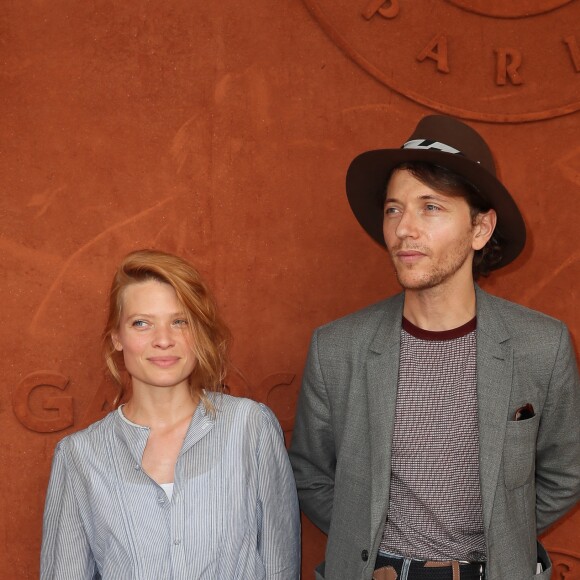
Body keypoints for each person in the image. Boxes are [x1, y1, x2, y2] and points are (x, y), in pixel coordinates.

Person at [289, 115, 580, 580]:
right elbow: (310, 472)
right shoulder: (337, 347)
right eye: (393, 209)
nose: (405, 228)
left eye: (431, 207)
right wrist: (365, 542)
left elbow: (567, 473)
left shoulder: (540, 345)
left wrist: (500, 533)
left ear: (481, 229)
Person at [41, 249, 300, 579]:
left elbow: (281, 565)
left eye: (180, 321)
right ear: (117, 338)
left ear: (199, 333)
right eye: (142, 323)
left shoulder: (251, 427)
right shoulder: (79, 456)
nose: (163, 340)